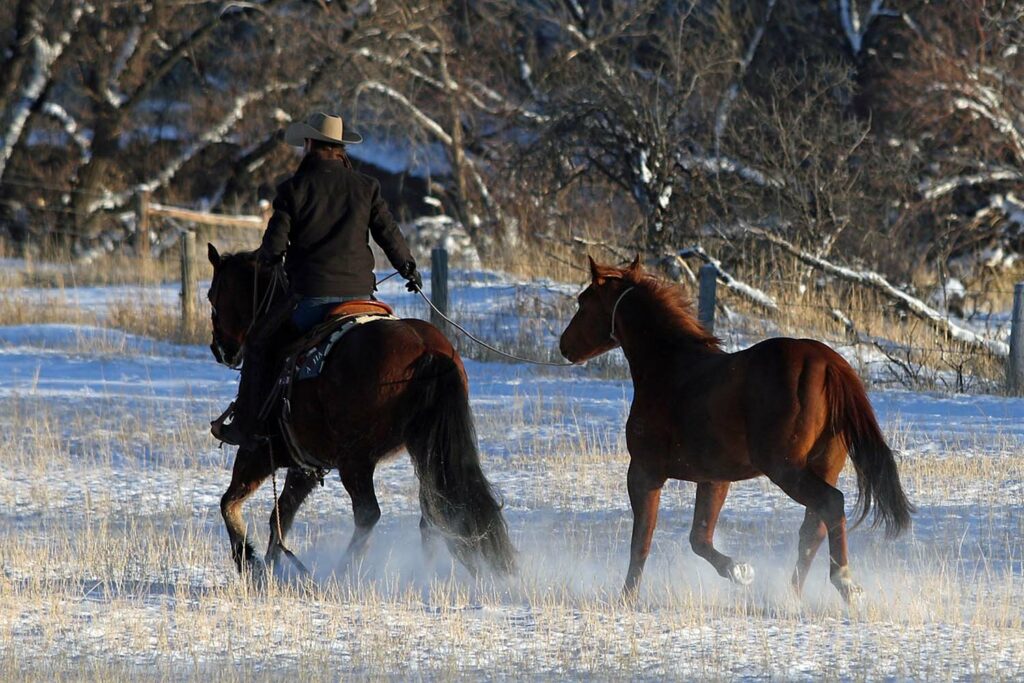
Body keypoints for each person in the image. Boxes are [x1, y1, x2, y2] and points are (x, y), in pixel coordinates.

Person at [212, 112, 423, 447]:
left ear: (309, 144)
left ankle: (247, 426)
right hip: (363, 297)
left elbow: (273, 250)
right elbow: (388, 232)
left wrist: (269, 258)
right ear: (339, 148)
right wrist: (408, 266)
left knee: (257, 344)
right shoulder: (367, 187)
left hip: (311, 298)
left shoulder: (293, 189)